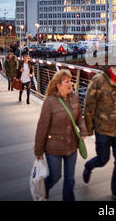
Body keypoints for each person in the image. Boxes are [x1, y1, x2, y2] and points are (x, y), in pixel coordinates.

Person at [82, 53, 116, 201]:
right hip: (103, 129)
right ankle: (89, 166)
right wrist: (88, 128)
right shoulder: (98, 79)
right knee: (103, 159)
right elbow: (89, 105)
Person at [34, 69, 88, 201]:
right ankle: (44, 189)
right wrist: (38, 150)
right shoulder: (50, 101)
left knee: (70, 179)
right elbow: (42, 127)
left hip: (71, 145)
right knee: (55, 176)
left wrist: (83, 130)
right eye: (67, 81)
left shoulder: (74, 97)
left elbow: (79, 117)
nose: (71, 84)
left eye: (71, 81)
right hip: (54, 147)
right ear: (58, 85)